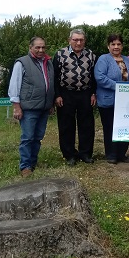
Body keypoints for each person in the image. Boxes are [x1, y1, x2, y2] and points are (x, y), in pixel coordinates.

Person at [8, 36, 55, 177]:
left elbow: (50, 84)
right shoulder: (22, 63)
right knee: (27, 138)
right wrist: (16, 107)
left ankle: (33, 163)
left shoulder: (48, 62)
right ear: (30, 48)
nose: (41, 50)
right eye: (37, 47)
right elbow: (14, 85)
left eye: (43, 47)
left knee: (38, 137)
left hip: (44, 107)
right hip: (28, 108)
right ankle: (25, 166)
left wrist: (51, 104)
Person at [53, 29, 97, 166]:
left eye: (81, 40)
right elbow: (54, 76)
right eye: (75, 40)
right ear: (69, 40)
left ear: (84, 41)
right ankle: (69, 155)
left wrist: (93, 93)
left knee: (87, 125)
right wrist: (57, 95)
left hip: (85, 93)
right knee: (66, 125)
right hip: (66, 93)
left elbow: (94, 76)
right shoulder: (60, 54)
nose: (78, 43)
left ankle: (85, 153)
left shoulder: (90, 55)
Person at [95, 34, 129, 164]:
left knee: (124, 127)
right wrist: (119, 86)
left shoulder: (127, 60)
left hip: (126, 101)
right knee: (110, 128)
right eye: (113, 44)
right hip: (109, 100)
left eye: (118, 44)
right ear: (108, 46)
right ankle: (111, 155)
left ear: (122, 46)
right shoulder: (103, 59)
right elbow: (100, 77)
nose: (116, 47)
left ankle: (122, 154)